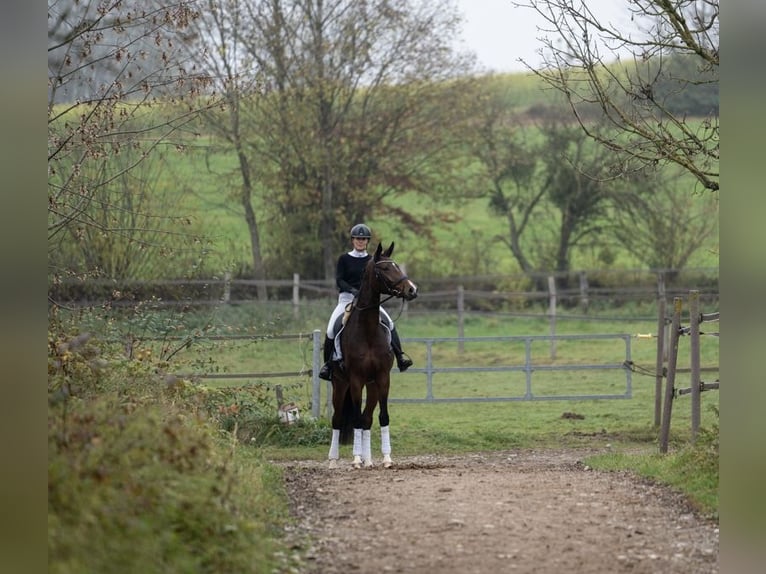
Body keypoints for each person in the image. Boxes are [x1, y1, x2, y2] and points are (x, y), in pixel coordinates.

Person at [318, 223, 413, 381]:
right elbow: (339, 280)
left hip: (370, 302)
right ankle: (328, 365)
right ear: (353, 240)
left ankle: (400, 357)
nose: (360, 241)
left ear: (367, 241)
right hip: (347, 300)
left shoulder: (373, 260)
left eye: (364, 239)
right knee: (331, 329)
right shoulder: (344, 259)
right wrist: (353, 291)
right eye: (358, 239)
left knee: (389, 324)